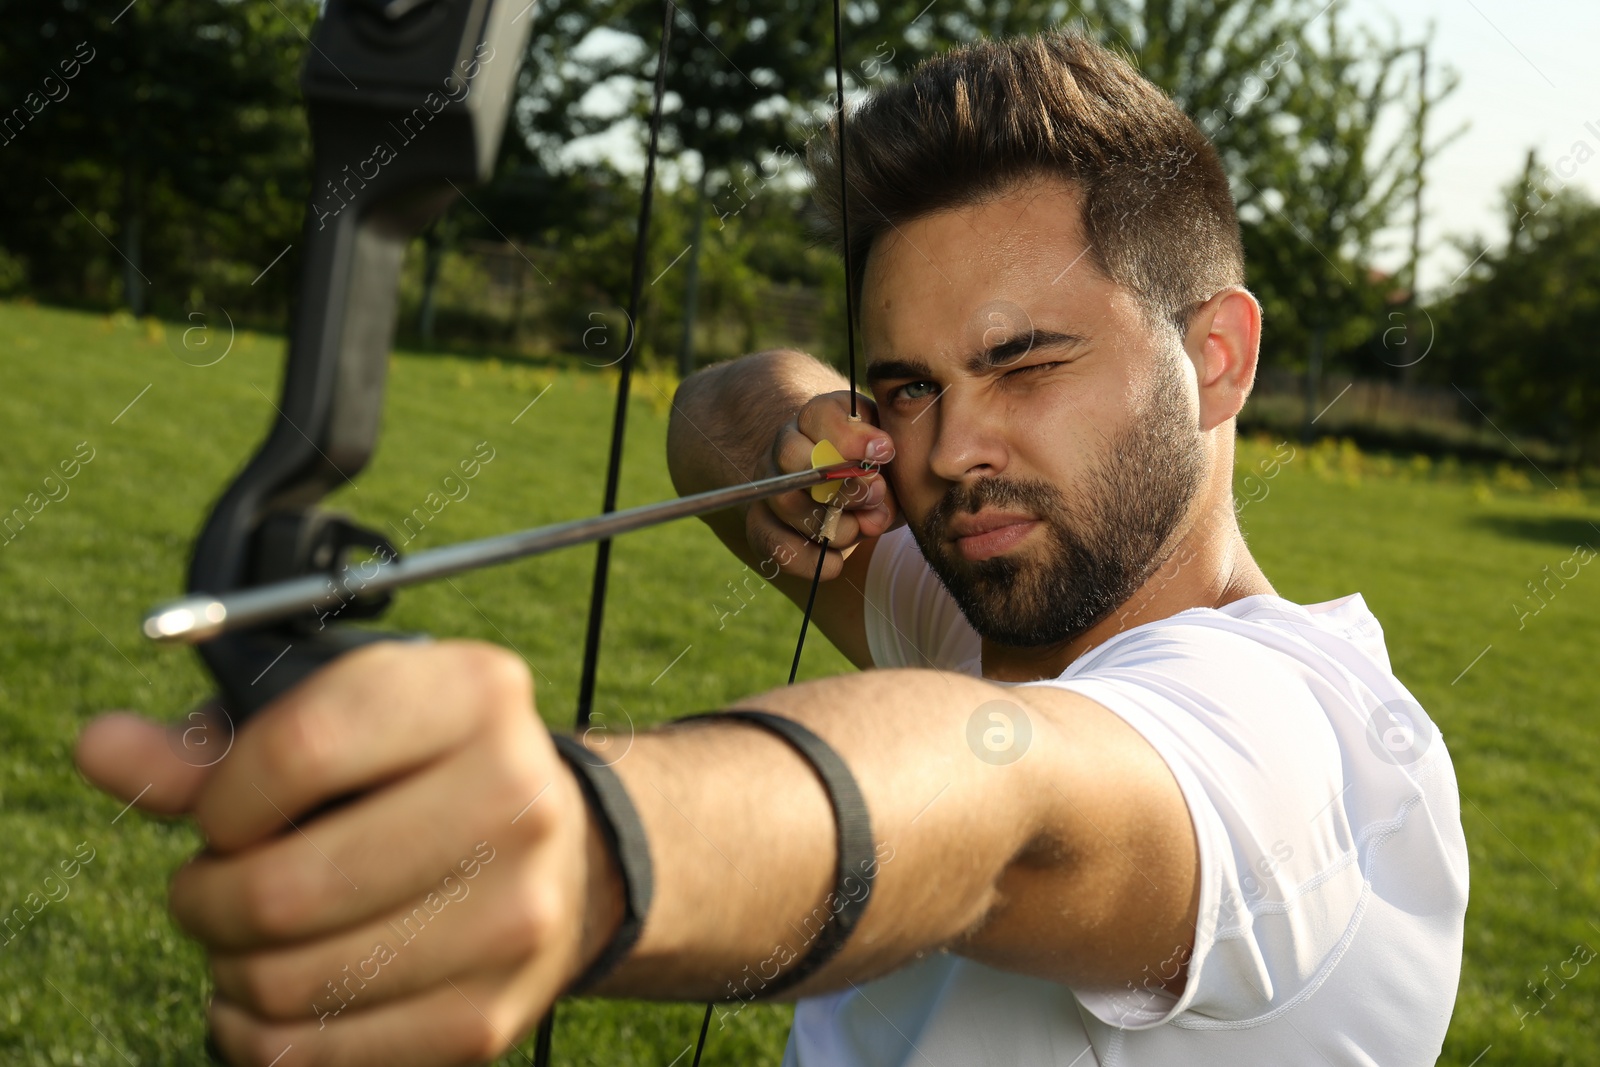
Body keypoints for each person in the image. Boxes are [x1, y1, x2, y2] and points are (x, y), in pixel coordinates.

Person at [74, 31, 1468, 1067]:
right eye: (906, 385)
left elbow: (1007, 801)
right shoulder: (978, 598)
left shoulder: (1307, 750)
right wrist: (807, 424)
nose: (947, 448)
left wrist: (591, 844)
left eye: (1026, 362)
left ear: (1216, 359)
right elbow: (714, 417)